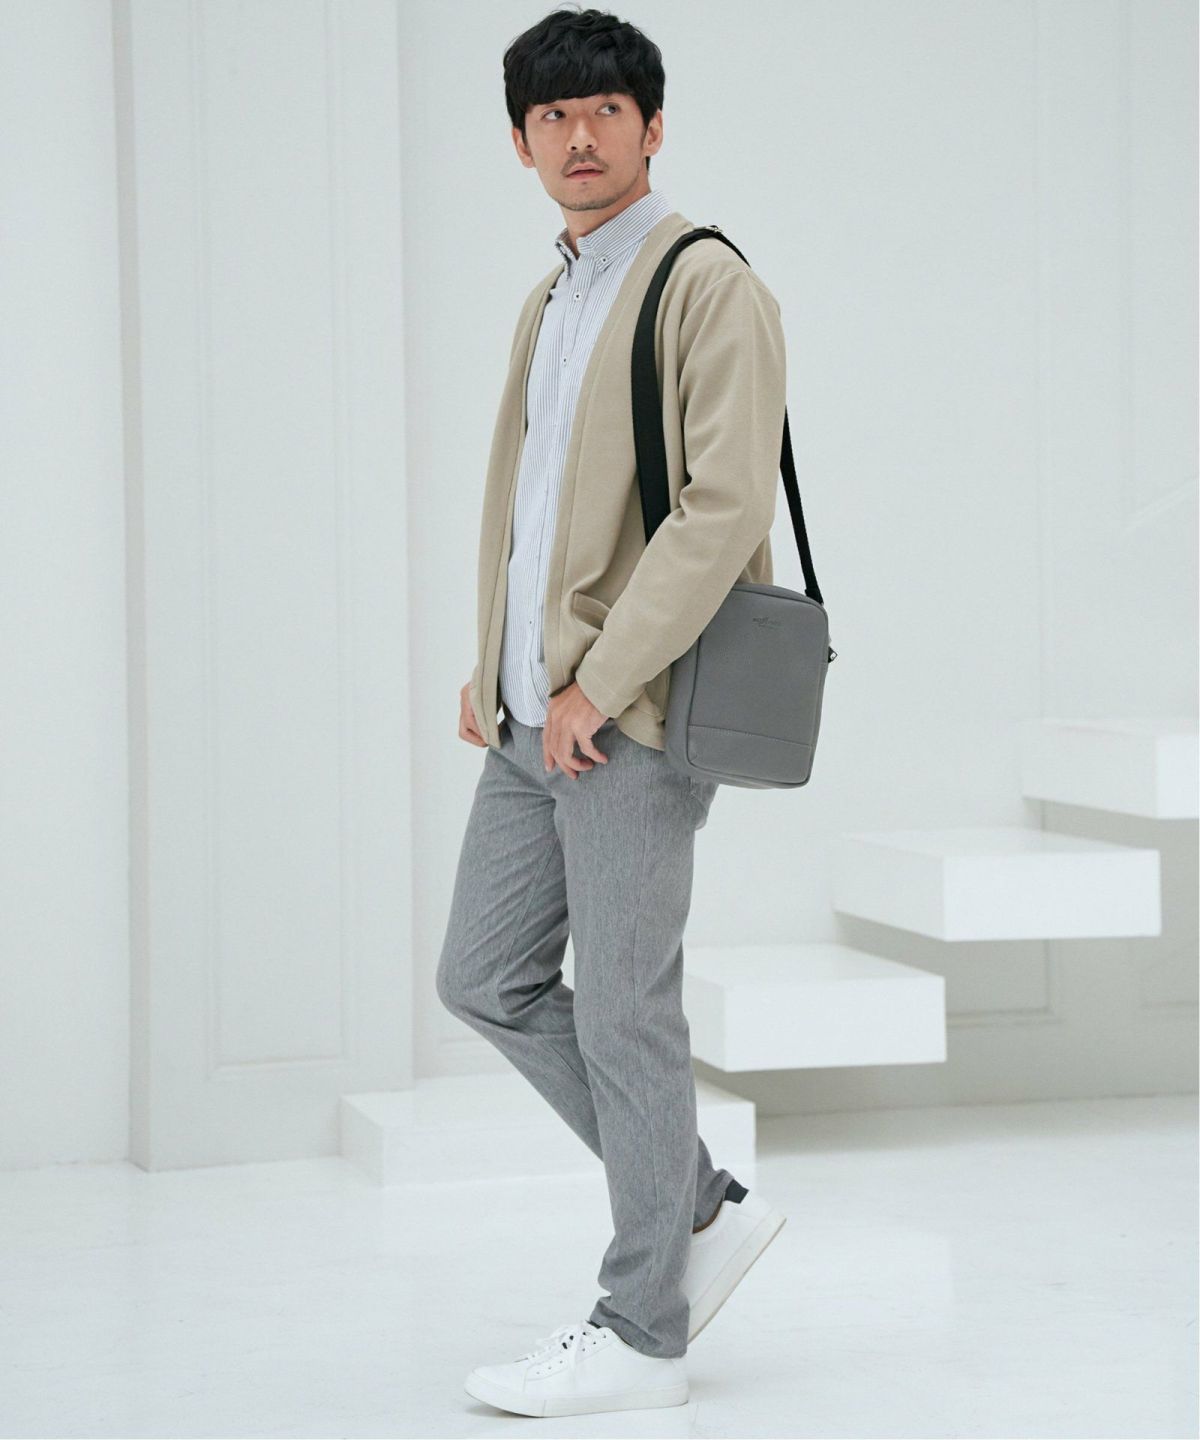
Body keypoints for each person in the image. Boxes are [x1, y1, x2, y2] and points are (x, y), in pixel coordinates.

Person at [435, 5, 788, 1418]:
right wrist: (497, 663)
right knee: (485, 978)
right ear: (521, 142)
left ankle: (644, 1333)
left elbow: (722, 508)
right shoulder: (552, 298)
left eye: (604, 112)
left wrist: (602, 676)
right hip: (535, 714)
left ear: (650, 127)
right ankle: (692, 1202)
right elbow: (528, 503)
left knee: (627, 1017)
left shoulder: (707, 284)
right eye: (552, 117)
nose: (579, 137)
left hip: (627, 720)